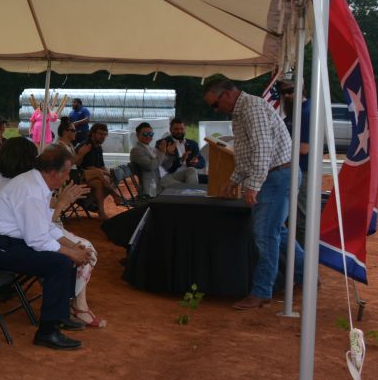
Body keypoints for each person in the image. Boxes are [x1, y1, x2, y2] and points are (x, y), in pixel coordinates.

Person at [203, 77, 305, 310]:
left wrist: (253, 185)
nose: (216, 110)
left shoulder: (252, 109)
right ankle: (305, 275)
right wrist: (234, 180)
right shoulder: (240, 113)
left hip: (277, 176)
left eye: (215, 104)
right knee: (276, 231)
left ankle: (261, 291)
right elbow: (246, 153)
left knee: (264, 234)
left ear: (227, 94)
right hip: (276, 174)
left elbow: (262, 149)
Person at [0, 145, 93, 350]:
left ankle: (59, 316)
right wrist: (72, 253)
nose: (68, 177)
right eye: (67, 172)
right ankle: (47, 332)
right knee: (59, 263)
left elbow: (46, 226)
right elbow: (38, 240)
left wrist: (74, 247)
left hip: (12, 242)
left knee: (64, 258)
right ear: (54, 173)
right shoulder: (31, 190)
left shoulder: (38, 184)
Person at [278, 81, 312, 242]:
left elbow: (304, 148)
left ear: (301, 89)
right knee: (290, 216)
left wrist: (277, 148)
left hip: (303, 170)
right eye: (283, 92)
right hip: (290, 170)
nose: (286, 95)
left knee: (301, 217)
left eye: (290, 90)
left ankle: (303, 255)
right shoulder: (294, 111)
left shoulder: (307, 112)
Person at [130, 123, 198, 199]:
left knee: (191, 170)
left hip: (167, 176)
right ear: (137, 135)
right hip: (157, 182)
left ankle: (191, 195)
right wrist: (162, 152)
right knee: (183, 187)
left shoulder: (150, 148)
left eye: (150, 134)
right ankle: (191, 197)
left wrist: (169, 153)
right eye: (145, 134)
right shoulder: (136, 150)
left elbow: (166, 165)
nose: (148, 136)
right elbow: (151, 166)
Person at [74, 122, 113, 220]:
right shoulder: (88, 145)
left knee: (113, 179)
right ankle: (99, 210)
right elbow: (90, 168)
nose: (103, 137)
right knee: (99, 183)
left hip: (90, 176)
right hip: (79, 177)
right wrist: (106, 174)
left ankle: (91, 203)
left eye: (105, 134)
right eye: (100, 134)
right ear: (92, 133)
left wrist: (109, 174)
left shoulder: (98, 147)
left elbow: (101, 166)